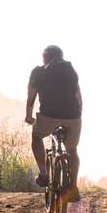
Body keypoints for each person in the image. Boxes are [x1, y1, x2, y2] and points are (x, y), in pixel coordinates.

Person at [25, 45, 82, 202]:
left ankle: (43, 173)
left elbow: (31, 97)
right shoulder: (71, 71)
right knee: (72, 150)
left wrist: (29, 116)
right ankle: (73, 186)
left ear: (45, 58)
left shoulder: (38, 72)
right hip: (73, 116)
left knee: (36, 137)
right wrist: (77, 116)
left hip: (48, 116)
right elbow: (79, 97)